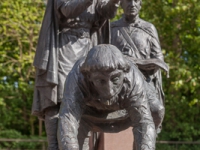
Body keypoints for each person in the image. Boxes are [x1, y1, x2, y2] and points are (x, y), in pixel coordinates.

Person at [32, 0, 120, 149]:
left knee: (85, 101)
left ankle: (81, 145)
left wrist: (115, 1)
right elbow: (68, 10)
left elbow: (106, 12)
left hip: (88, 50)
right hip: (65, 49)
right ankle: (54, 145)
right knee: (58, 99)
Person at [57, 44, 156, 150]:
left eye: (115, 79)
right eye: (100, 81)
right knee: (71, 128)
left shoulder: (133, 77)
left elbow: (143, 122)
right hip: (89, 115)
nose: (109, 91)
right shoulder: (77, 77)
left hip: (126, 113)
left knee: (157, 110)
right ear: (89, 76)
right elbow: (67, 120)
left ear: (124, 73)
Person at [111, 0, 168, 134]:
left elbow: (159, 59)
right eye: (127, 1)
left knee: (157, 110)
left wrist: (136, 62)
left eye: (136, 1)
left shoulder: (148, 29)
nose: (132, 4)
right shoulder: (111, 28)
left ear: (140, 5)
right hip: (116, 82)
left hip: (142, 81)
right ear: (121, 4)